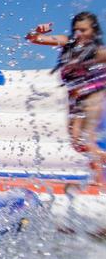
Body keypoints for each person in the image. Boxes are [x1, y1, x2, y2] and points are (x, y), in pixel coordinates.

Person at [26, 12, 106, 167]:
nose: (79, 33)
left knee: (87, 139)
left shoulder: (98, 51)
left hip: (94, 95)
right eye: (76, 29)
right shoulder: (67, 42)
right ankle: (99, 176)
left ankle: (98, 182)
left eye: (84, 30)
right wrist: (37, 32)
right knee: (77, 143)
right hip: (75, 96)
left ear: (94, 31)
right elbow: (33, 39)